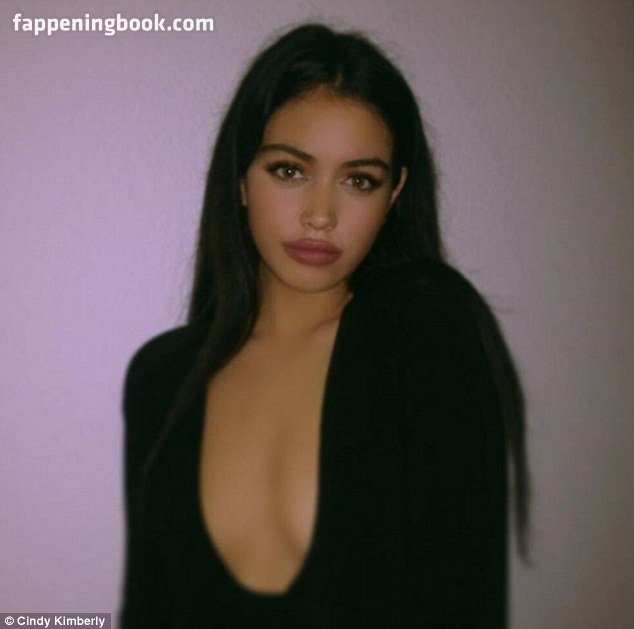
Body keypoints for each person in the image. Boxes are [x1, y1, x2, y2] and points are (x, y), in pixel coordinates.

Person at [118, 23, 529, 629]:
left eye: (358, 180)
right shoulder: (162, 376)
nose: (320, 215)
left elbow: (466, 601)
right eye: (289, 170)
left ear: (394, 194)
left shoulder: (427, 333)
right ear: (240, 176)